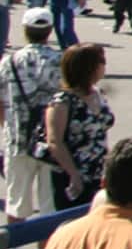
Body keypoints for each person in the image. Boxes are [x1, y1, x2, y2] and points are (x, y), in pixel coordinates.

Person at [3, 9, 62, 227]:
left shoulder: (9, 62)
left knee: (16, 200)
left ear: (25, 30)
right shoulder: (62, 61)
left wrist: (6, 129)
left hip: (18, 138)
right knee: (49, 204)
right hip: (52, 141)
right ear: (49, 31)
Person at [46, 42, 115, 207]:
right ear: (88, 67)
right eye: (101, 62)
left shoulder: (97, 93)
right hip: (72, 176)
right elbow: (55, 142)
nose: (104, 66)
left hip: (99, 173)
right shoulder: (62, 102)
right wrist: (74, 175)